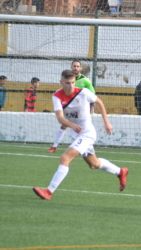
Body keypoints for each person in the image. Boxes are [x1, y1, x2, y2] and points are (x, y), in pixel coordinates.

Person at [33, 69, 128, 200]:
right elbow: (60, 118)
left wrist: (107, 122)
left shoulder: (83, 93)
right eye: (67, 83)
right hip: (77, 134)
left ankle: (48, 192)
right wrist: (72, 125)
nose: (71, 85)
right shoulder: (57, 96)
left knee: (65, 157)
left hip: (87, 134)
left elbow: (99, 102)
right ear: (61, 82)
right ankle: (121, 172)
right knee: (93, 164)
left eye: (72, 82)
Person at [48, 60, 95, 153]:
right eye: (74, 66)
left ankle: (86, 145)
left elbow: (92, 93)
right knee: (64, 125)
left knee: (82, 126)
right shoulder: (66, 79)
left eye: (78, 66)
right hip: (67, 106)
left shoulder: (85, 80)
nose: (76, 68)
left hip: (80, 108)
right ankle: (54, 146)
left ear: (80, 68)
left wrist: (90, 105)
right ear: (71, 67)